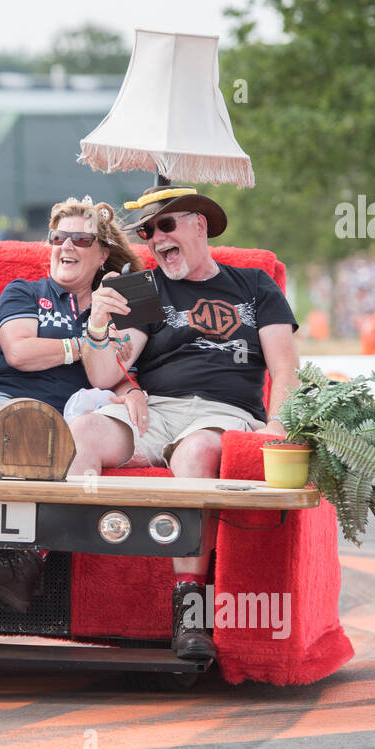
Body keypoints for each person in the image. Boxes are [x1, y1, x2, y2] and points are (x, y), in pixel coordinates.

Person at [67, 184, 301, 661]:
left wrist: (277, 424)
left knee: (198, 454)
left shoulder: (256, 286)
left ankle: (190, 610)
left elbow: (285, 368)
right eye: (148, 232)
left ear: (200, 225)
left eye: (166, 226)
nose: (155, 239)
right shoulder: (145, 286)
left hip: (224, 412)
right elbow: (105, 374)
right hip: (156, 408)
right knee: (81, 432)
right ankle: (40, 563)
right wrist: (95, 327)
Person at [0, 197, 143, 613]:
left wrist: (130, 388)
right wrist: (83, 343)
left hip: (69, 414)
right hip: (4, 396)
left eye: (81, 238)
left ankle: (6, 564)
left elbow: (107, 375)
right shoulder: (25, 291)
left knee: (56, 433)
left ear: (103, 254)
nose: (66, 246)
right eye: (58, 237)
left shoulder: (117, 306)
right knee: (8, 424)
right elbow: (19, 353)